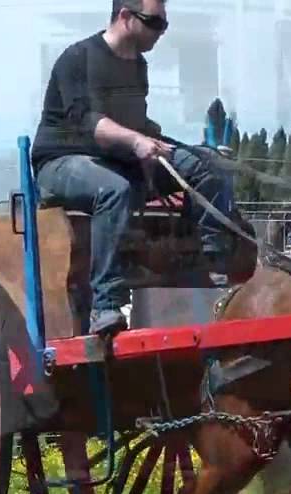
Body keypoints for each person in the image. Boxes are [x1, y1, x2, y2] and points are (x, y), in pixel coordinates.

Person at [31, 0, 235, 335]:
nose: (161, 32)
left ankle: (213, 268)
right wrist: (137, 142)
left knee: (205, 166)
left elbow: (135, 122)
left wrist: (184, 148)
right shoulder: (78, 58)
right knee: (114, 189)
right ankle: (106, 305)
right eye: (156, 23)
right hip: (62, 162)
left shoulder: (137, 65)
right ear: (125, 16)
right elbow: (88, 123)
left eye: (164, 25)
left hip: (116, 158)